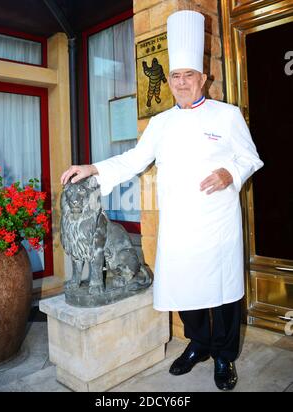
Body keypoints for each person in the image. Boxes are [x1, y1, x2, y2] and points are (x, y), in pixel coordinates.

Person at [61, 10, 263, 391]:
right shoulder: (160, 123)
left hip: (217, 222)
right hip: (179, 224)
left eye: (190, 75)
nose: (182, 82)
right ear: (168, 81)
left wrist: (229, 174)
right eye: (176, 76)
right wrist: (92, 168)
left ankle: (224, 355)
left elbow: (250, 157)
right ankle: (198, 345)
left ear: (204, 79)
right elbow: (133, 160)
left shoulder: (228, 115)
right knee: (186, 290)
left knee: (223, 293)